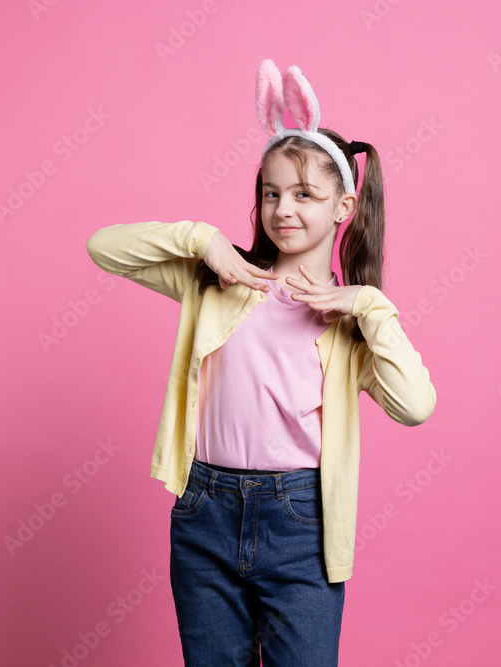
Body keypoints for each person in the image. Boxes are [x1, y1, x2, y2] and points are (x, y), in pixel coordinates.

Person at [85, 59, 437, 666]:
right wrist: (201, 238)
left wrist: (368, 303)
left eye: (305, 195)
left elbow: (416, 406)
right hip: (205, 511)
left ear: (344, 206)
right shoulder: (219, 281)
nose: (283, 210)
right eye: (271, 193)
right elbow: (103, 248)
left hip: (300, 523)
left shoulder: (351, 321)